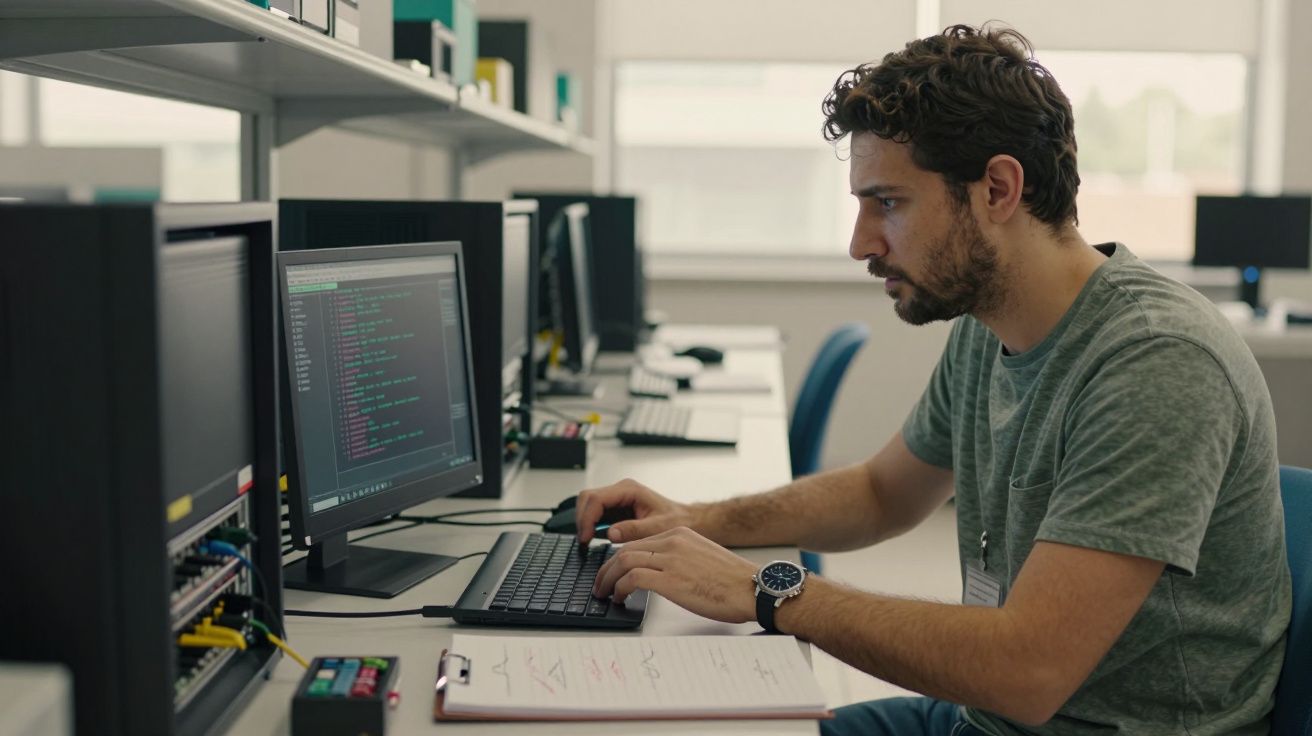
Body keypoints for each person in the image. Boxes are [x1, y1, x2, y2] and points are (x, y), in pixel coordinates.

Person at [576, 23, 1291, 736]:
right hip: (985, 717)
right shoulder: (989, 325)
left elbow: (1029, 670)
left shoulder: (1156, 361)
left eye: (887, 203)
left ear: (998, 189)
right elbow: (881, 493)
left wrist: (770, 591)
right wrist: (696, 519)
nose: (859, 243)